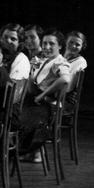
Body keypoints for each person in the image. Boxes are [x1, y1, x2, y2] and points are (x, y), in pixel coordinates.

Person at [17, 29, 71, 159]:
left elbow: (65, 79)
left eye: (51, 44)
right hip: (38, 103)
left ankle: (19, 151)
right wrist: (31, 71)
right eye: (44, 43)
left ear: (60, 46)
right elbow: (32, 89)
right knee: (13, 112)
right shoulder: (46, 61)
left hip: (49, 105)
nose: (46, 47)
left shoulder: (60, 61)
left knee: (19, 117)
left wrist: (43, 95)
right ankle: (16, 151)